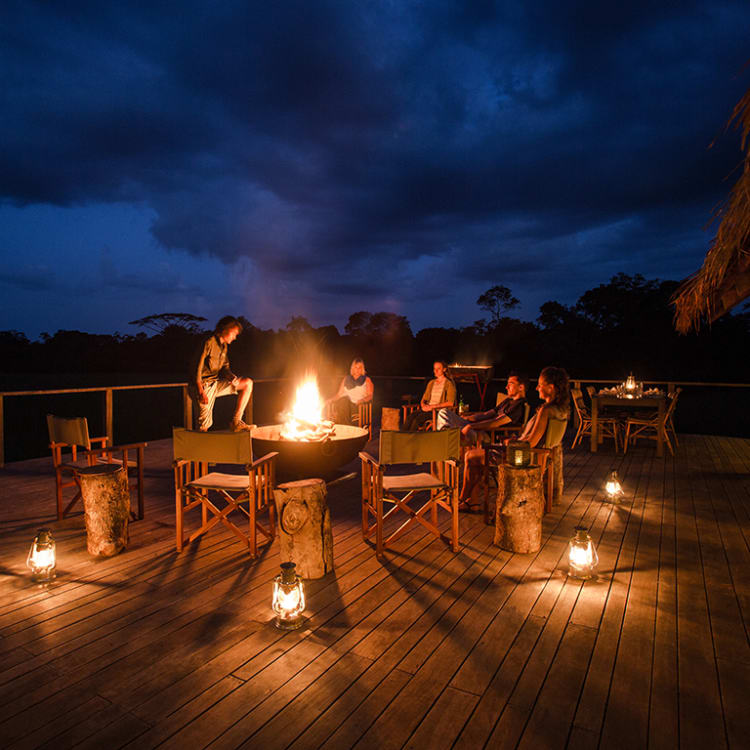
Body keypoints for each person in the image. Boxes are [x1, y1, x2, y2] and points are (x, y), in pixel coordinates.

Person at [189, 316, 254, 432]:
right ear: (225, 329)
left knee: (247, 383)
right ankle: (199, 446)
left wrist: (231, 376)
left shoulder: (224, 347)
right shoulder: (208, 342)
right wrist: (200, 391)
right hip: (203, 386)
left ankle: (236, 422)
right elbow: (196, 368)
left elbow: (225, 367)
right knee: (203, 427)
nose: (235, 337)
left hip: (215, 384)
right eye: (234, 333)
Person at [436, 372, 528, 442]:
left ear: (521, 387)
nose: (506, 387)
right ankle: (447, 437)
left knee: (458, 430)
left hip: (488, 434)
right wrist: (467, 418)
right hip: (478, 428)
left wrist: (470, 426)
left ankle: (446, 439)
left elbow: (495, 423)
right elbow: (486, 414)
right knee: (444, 412)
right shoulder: (508, 401)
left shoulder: (519, 406)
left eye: (510, 384)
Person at [511, 366, 570, 447]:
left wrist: (511, 444)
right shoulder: (561, 410)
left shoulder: (546, 411)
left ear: (550, 388)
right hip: (539, 455)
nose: (536, 388)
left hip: (526, 456)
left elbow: (531, 443)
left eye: (540, 385)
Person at [402, 360, 456, 431]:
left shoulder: (449, 384)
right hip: (428, 409)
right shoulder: (431, 383)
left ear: (444, 369)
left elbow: (450, 403)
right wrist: (423, 405)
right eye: (434, 369)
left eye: (438, 369)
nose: (435, 371)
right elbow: (424, 398)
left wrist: (432, 407)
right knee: (410, 417)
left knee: (417, 420)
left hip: (437, 411)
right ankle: (402, 436)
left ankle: (409, 439)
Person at [326, 358, 374, 424]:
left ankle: (346, 426)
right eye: (356, 367)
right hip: (345, 405)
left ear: (362, 369)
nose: (357, 369)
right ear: (352, 368)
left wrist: (362, 400)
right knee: (343, 401)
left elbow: (370, 395)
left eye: (359, 367)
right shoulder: (346, 379)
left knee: (344, 404)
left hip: (358, 405)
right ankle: (346, 426)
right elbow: (339, 395)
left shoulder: (366, 380)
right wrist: (330, 400)